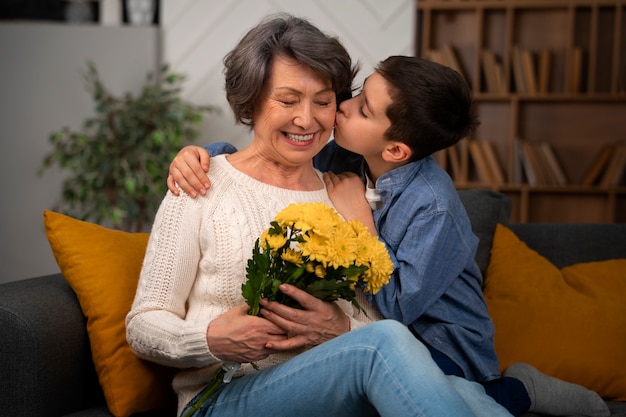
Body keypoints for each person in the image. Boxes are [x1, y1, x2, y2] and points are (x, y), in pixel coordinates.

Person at [168, 55, 610, 417]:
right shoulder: (349, 152)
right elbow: (270, 154)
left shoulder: (433, 206)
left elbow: (397, 305)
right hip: (374, 340)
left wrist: (360, 221)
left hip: (440, 345)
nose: (342, 105)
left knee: (457, 395)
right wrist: (207, 156)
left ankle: (517, 390)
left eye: (362, 109)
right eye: (359, 93)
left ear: (395, 150)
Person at [126, 14, 512, 417]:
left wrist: (340, 330)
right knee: (389, 345)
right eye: (288, 100)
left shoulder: (351, 196)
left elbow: (376, 318)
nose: (307, 120)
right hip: (225, 396)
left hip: (337, 391)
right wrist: (209, 340)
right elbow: (143, 326)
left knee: (475, 402)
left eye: (324, 102)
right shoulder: (199, 182)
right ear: (251, 100)